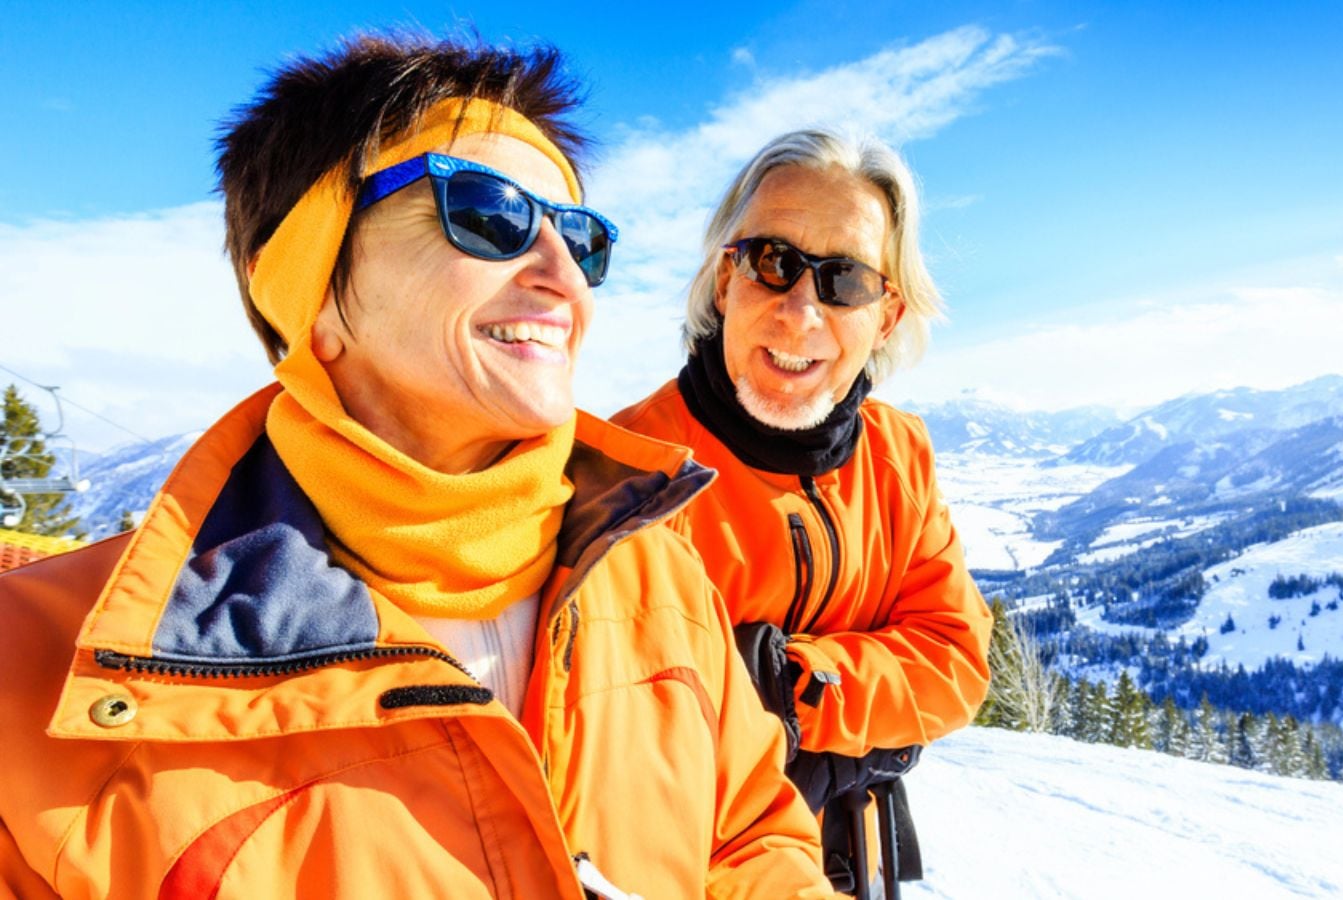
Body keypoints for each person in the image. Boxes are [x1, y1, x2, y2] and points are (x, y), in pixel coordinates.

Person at [0, 35, 830, 899]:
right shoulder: (37, 680)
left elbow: (750, 841)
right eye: (488, 212)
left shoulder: (657, 571)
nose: (564, 278)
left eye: (580, 238)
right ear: (310, 291)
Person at [612, 129, 993, 897]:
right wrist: (875, 730)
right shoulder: (630, 472)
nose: (800, 311)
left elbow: (955, 662)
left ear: (886, 316)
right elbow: (641, 744)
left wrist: (791, 686)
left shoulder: (898, 456)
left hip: (854, 861)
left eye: (844, 280)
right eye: (773, 261)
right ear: (726, 282)